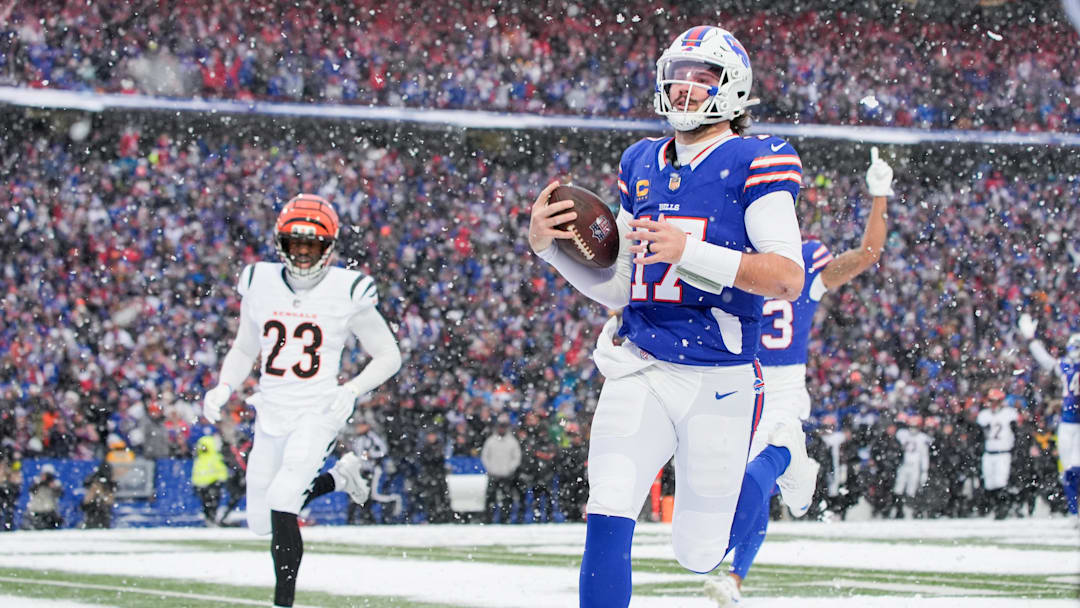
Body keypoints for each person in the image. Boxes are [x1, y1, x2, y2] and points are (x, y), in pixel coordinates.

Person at [531, 25, 812, 607]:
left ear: (732, 87)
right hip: (641, 362)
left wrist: (690, 254)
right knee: (608, 503)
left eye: (701, 77)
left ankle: (777, 455)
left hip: (720, 377)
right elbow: (618, 289)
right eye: (677, 76)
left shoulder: (756, 158)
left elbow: (787, 278)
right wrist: (549, 250)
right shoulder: (641, 162)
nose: (684, 89)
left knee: (699, 553)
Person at [705, 146, 893, 605]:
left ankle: (790, 472)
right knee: (752, 484)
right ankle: (735, 577)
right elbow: (869, 253)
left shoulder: (768, 258)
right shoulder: (772, 257)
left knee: (758, 476)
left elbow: (868, 254)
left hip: (775, 380)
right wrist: (879, 196)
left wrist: (880, 197)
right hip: (741, 379)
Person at [201, 194, 402, 608]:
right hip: (271, 409)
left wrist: (350, 390)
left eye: (313, 244)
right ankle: (338, 479)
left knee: (283, 497)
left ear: (329, 247)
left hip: (317, 409)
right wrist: (224, 386)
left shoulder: (348, 290)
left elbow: (389, 354)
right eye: (297, 243)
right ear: (282, 243)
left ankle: (283, 603)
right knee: (260, 521)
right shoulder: (260, 281)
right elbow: (243, 349)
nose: (304, 253)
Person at [1018, 315, 1080, 526]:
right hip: (1067, 423)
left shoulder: (1066, 365)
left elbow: (1045, 360)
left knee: (1075, 469)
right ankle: (1073, 512)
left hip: (1075, 424)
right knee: (1068, 470)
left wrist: (1031, 339)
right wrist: (1031, 339)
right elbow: (1045, 361)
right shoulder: (1065, 365)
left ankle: (1074, 509)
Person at [976, 388, 1019, 519]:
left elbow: (1017, 432)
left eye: (996, 401)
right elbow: (978, 435)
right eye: (991, 401)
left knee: (1001, 481)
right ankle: (995, 508)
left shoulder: (1009, 414)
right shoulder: (984, 415)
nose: (994, 404)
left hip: (1003, 452)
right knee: (990, 483)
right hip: (989, 452)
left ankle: (1003, 509)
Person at [480, 414, 521, 524]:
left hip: (507, 475)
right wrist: (491, 469)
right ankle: (488, 519)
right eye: (500, 426)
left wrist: (509, 469)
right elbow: (485, 456)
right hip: (493, 475)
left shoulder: (512, 442)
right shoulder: (491, 441)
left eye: (503, 427)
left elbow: (516, 457)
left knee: (506, 499)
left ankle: (505, 519)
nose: (501, 429)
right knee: (490, 499)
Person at [191, 435, 229, 525]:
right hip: (203, 486)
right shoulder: (200, 459)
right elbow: (196, 473)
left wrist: (220, 480)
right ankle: (209, 519)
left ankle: (212, 518)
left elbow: (221, 470)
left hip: (212, 484)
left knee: (212, 503)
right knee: (206, 504)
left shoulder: (214, 457)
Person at [26, 464, 64, 530]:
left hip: (49, 511)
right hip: (36, 510)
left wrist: (53, 486)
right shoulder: (37, 481)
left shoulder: (55, 483)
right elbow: (31, 490)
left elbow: (60, 494)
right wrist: (41, 482)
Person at [81, 462, 117, 529]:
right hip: (91, 514)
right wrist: (94, 490)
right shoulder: (93, 483)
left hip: (104, 517)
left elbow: (110, 502)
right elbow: (86, 502)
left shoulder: (110, 485)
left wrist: (102, 493)